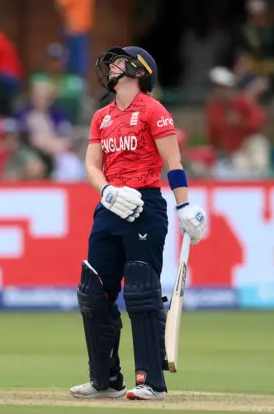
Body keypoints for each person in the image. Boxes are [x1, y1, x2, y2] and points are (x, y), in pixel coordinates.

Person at [69, 46, 207, 401]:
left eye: (118, 61)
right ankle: (105, 380)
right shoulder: (101, 116)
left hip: (144, 203)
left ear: (137, 71)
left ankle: (151, 382)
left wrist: (185, 206)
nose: (110, 66)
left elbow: (173, 162)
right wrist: (107, 192)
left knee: (142, 292)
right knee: (94, 291)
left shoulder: (153, 110)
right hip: (111, 204)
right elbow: (91, 164)